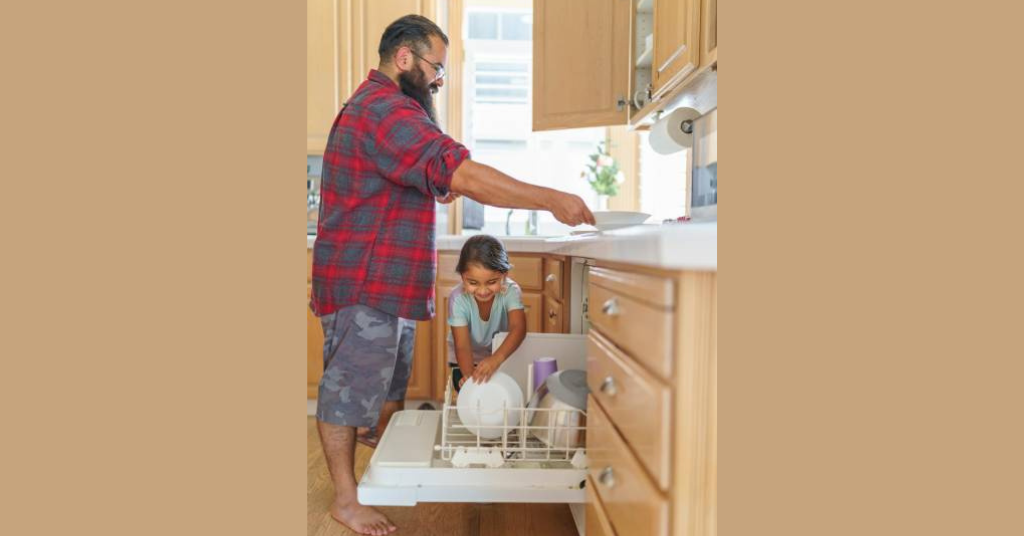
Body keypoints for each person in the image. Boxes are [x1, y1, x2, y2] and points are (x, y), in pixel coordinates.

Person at [310, 14, 594, 536]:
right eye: (435, 68)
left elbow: (425, 176)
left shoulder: (387, 110)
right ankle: (346, 502)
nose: (438, 79)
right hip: (365, 279)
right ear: (404, 58)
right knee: (347, 395)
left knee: (380, 394)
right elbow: (455, 168)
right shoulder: (387, 109)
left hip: (383, 281)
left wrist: (440, 185)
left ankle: (376, 476)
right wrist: (550, 198)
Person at [446, 235, 526, 391]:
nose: (482, 291)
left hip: (501, 354)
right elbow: (462, 346)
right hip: (465, 358)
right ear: (462, 276)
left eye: (491, 282)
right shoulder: (458, 299)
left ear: (504, 275)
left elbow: (519, 328)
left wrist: (496, 359)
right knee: (469, 391)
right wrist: (470, 377)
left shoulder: (511, 291)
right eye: (473, 283)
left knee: (498, 393)